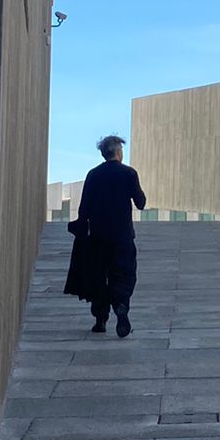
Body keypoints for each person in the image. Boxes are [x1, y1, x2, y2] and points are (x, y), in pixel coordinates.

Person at [69, 134, 146, 338]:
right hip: (122, 236)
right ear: (118, 152)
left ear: (104, 153)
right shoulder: (128, 173)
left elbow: (83, 207)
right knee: (124, 273)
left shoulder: (94, 175)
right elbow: (141, 202)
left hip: (98, 236)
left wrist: (81, 229)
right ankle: (121, 305)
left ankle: (100, 319)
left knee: (99, 276)